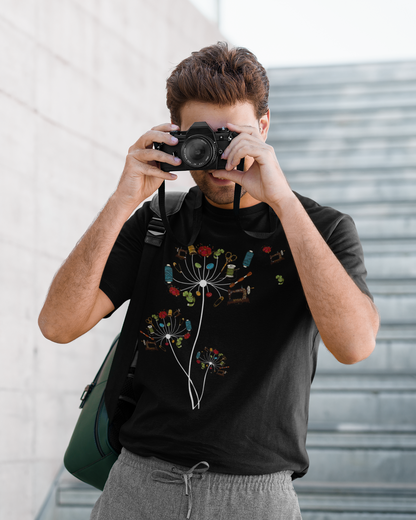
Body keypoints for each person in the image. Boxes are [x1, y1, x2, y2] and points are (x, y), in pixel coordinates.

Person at [38, 42, 379, 520]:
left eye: (233, 136)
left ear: (263, 127)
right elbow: (57, 324)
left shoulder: (324, 229)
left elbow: (355, 345)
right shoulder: (158, 220)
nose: (219, 159)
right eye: (204, 137)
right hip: (140, 484)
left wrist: (282, 201)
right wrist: (123, 199)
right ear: (177, 135)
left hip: (257, 497)